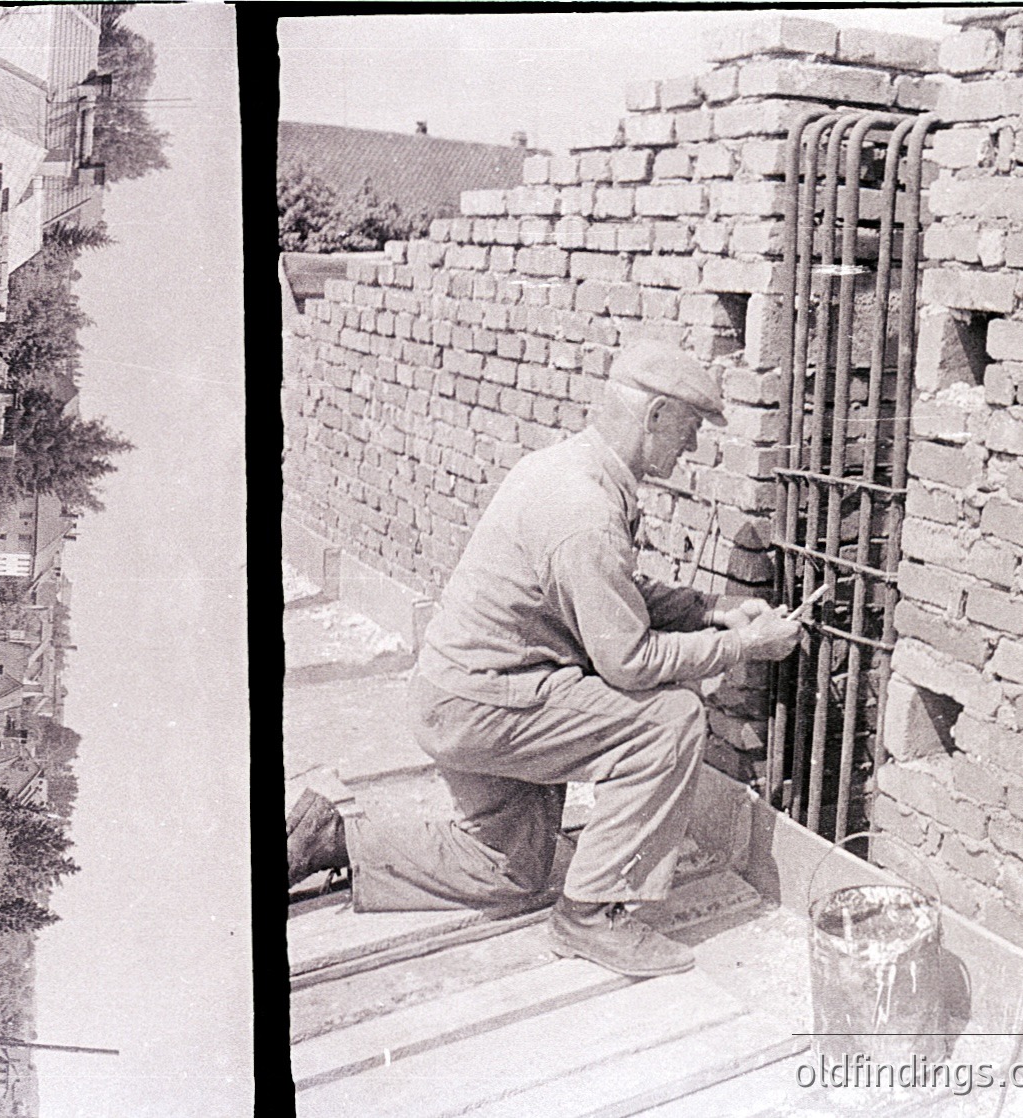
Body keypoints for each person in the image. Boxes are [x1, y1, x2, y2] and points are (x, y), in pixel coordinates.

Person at [286, 341, 803, 978]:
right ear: (658, 415)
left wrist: (710, 608)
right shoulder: (585, 512)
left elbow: (607, 594)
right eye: (691, 429)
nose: (691, 447)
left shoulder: (570, 468)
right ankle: (592, 916)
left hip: (468, 694)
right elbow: (631, 660)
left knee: (511, 871)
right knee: (669, 717)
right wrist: (743, 645)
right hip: (483, 708)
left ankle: (328, 839)